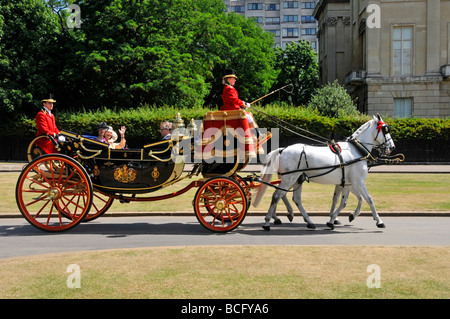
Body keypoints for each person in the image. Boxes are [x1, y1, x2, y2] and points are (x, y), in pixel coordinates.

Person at [220, 70, 263, 153]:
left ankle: (255, 134)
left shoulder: (230, 88)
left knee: (249, 114)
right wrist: (243, 103)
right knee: (248, 116)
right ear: (229, 79)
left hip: (233, 109)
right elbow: (234, 100)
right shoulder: (228, 89)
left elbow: (234, 101)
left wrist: (242, 106)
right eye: (233, 79)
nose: (235, 80)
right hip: (230, 110)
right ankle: (257, 134)